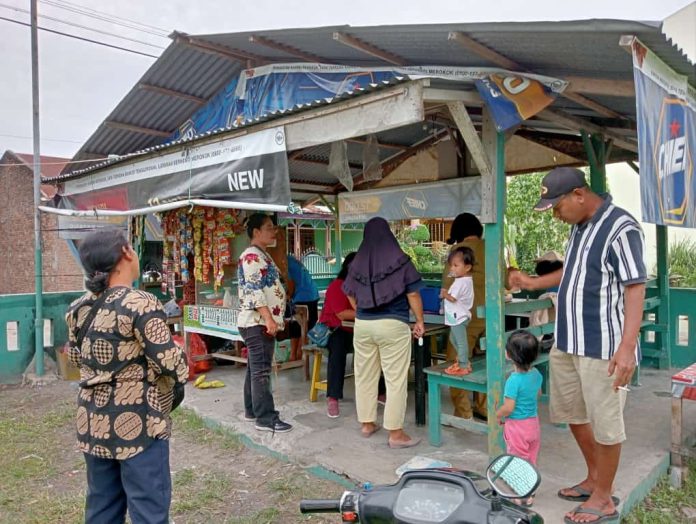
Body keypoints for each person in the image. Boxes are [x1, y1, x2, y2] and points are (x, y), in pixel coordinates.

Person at [509, 167, 646, 524]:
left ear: (579, 195)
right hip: (569, 340)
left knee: (606, 423)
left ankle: (603, 498)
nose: (555, 214)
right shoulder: (578, 228)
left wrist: (627, 346)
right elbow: (572, 269)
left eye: (557, 206)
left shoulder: (621, 227)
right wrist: (534, 282)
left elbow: (635, 286)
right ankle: (594, 478)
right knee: (572, 413)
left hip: (604, 346)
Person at [65, 229, 188, 524]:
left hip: (93, 422)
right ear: (126, 253)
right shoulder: (139, 303)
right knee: (148, 510)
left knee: (102, 508)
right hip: (138, 424)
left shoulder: (77, 308)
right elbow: (171, 363)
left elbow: (74, 359)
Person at [343, 217, 425, 449]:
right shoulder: (400, 260)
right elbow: (413, 295)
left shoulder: (357, 262)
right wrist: (419, 320)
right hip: (393, 325)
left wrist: (359, 309)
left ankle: (368, 424)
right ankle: (396, 434)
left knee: (365, 375)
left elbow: (348, 290)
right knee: (395, 379)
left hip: (363, 326)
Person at [238, 213, 293, 433]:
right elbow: (253, 290)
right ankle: (266, 418)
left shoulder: (262, 255)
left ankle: (252, 410)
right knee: (261, 371)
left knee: (255, 368)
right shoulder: (252, 256)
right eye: (269, 227)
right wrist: (269, 318)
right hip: (258, 322)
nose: (274, 231)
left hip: (259, 322)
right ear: (256, 232)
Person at [440, 213, 488, 420]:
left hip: (464, 318)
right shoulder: (493, 246)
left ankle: (463, 413)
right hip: (490, 317)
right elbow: (506, 283)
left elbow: (447, 283)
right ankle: (484, 407)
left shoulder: (458, 253)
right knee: (486, 363)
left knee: (457, 362)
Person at [495, 330, 543, 506]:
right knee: (531, 458)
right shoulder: (537, 374)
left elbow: (509, 407)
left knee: (517, 461)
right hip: (533, 424)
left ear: (508, 355)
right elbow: (538, 393)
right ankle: (531, 490)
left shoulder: (513, 380)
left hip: (517, 427)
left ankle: (520, 495)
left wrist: (497, 414)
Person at [320, 252, 357, 418]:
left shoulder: (362, 286)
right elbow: (341, 314)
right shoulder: (337, 285)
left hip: (356, 329)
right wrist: (368, 312)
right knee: (338, 349)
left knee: (376, 347)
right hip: (334, 329)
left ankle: (380, 391)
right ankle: (333, 397)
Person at [443, 246, 475, 377]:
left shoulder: (460, 283)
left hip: (459, 317)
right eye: (451, 265)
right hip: (458, 316)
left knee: (461, 341)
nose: (452, 269)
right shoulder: (464, 280)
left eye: (456, 265)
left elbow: (452, 298)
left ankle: (463, 365)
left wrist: (444, 293)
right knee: (453, 338)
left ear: (467, 267)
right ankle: (464, 360)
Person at [287, 254, 320, 361]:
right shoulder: (292, 260)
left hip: (304, 297)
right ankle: (297, 355)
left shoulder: (284, 262)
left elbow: (290, 285)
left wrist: (287, 297)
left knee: (300, 326)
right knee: (302, 326)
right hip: (311, 294)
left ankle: (297, 355)